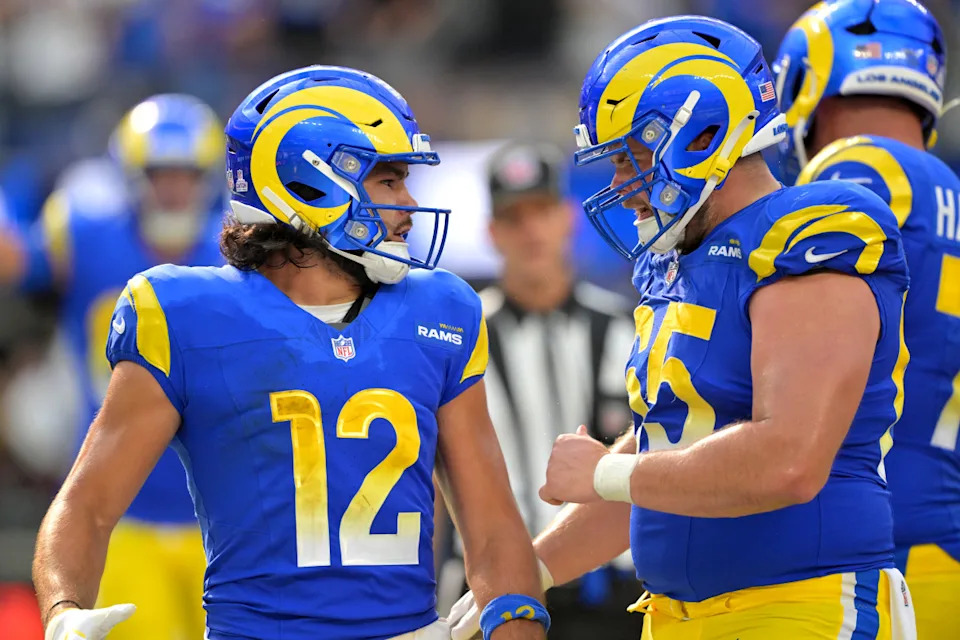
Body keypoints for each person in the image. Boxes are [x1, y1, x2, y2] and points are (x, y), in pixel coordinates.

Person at [32, 65, 548, 640]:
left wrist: (515, 622)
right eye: (388, 181)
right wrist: (64, 613)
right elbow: (88, 504)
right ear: (311, 184)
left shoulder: (442, 309)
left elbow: (494, 527)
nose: (408, 204)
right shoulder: (185, 314)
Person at [450, 15, 916, 640]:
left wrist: (604, 473)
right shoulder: (682, 261)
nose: (620, 183)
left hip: (800, 605)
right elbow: (667, 465)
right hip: (671, 616)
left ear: (701, 133)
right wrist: (523, 577)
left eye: (631, 155)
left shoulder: (811, 229)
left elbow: (789, 461)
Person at [0, 94, 225, 640]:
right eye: (158, 173)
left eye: (186, 173)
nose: (173, 187)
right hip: (121, 510)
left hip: (225, 516)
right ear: (129, 174)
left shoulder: (239, 246)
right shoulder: (83, 229)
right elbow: (14, 261)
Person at [775, 1, 960, 636]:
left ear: (805, 79)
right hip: (942, 545)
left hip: (880, 565)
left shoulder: (858, 169)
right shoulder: (950, 190)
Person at [438, 141, 640, 637]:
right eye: (513, 218)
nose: (530, 230)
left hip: (617, 593)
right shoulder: (456, 336)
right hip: (494, 595)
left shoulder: (628, 326)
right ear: (491, 232)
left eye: (542, 212)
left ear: (568, 217)